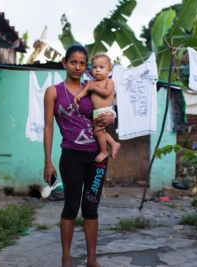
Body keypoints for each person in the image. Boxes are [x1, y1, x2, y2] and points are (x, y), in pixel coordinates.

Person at [43, 45, 114, 267]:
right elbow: (48, 127)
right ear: (65, 64)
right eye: (73, 62)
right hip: (71, 157)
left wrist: (111, 118)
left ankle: (92, 259)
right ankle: (66, 257)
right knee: (71, 207)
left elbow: (106, 109)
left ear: (87, 67)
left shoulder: (92, 87)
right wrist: (48, 161)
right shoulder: (53, 92)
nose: (78, 66)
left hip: (97, 159)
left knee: (91, 208)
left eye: (83, 63)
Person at [73, 52, 121, 163]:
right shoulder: (90, 83)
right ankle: (114, 143)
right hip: (96, 112)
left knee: (98, 132)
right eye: (94, 67)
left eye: (101, 67)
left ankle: (104, 151)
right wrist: (77, 97)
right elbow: (84, 92)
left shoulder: (109, 81)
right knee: (98, 132)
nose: (97, 70)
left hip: (106, 111)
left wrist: (94, 88)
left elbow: (106, 93)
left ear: (109, 70)